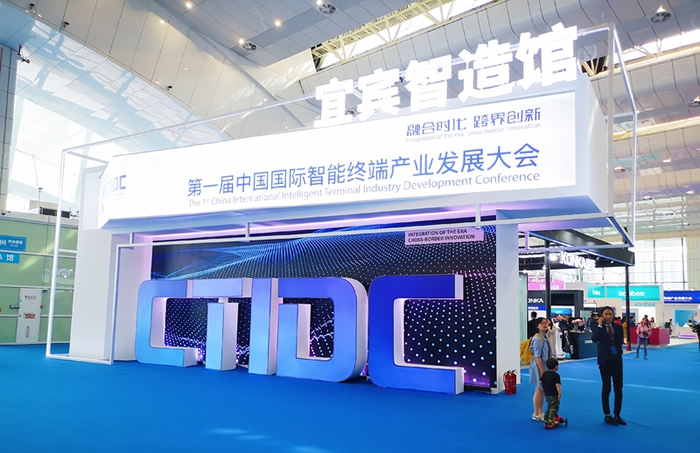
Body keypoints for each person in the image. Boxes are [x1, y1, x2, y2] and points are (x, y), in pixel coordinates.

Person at [591, 306, 626, 426]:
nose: (608, 316)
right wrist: (600, 326)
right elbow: (594, 339)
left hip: (616, 360)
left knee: (618, 388)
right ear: (602, 316)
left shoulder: (618, 327)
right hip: (605, 362)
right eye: (606, 314)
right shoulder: (597, 327)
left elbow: (620, 342)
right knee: (606, 388)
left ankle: (617, 414)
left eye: (610, 314)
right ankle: (607, 414)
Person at [530, 317, 553, 422]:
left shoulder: (545, 336)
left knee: (542, 390)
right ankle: (536, 413)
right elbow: (537, 357)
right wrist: (542, 371)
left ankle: (540, 412)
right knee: (539, 390)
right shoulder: (537, 339)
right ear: (537, 326)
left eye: (546, 323)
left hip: (545, 366)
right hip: (539, 366)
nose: (544, 325)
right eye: (541, 323)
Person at [541, 358, 562, 429]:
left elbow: (541, 381)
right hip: (554, 394)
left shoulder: (544, 374)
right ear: (556, 366)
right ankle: (550, 420)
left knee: (549, 406)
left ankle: (546, 418)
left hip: (547, 393)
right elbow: (557, 385)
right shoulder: (556, 376)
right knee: (554, 407)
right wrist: (559, 393)